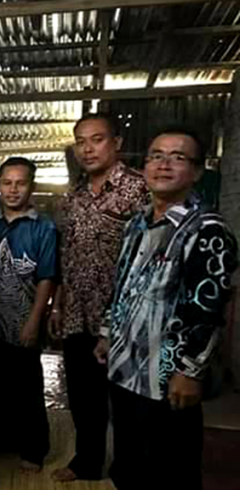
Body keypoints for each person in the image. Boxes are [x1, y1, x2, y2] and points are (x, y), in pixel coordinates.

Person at [95, 127, 237, 490]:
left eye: (178, 157)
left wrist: (190, 371)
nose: (164, 164)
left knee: (170, 472)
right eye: (156, 156)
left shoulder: (207, 230)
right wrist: (108, 333)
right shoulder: (137, 224)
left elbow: (209, 308)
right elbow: (122, 284)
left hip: (168, 379)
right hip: (125, 369)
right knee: (129, 466)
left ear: (197, 171)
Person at [48, 113, 148, 482]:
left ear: (116, 143)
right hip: (77, 314)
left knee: (126, 399)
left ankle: (128, 470)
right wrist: (57, 305)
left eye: (97, 139)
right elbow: (65, 254)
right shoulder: (72, 197)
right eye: (80, 142)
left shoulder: (139, 189)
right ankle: (87, 462)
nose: (87, 149)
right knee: (82, 395)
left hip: (123, 317)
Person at [0, 157, 56, 472]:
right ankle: (5, 438)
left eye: (20, 183)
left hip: (24, 320)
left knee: (27, 386)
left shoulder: (43, 228)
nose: (13, 190)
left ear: (31, 187)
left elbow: (47, 278)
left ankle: (34, 450)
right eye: (7, 183)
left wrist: (34, 322)